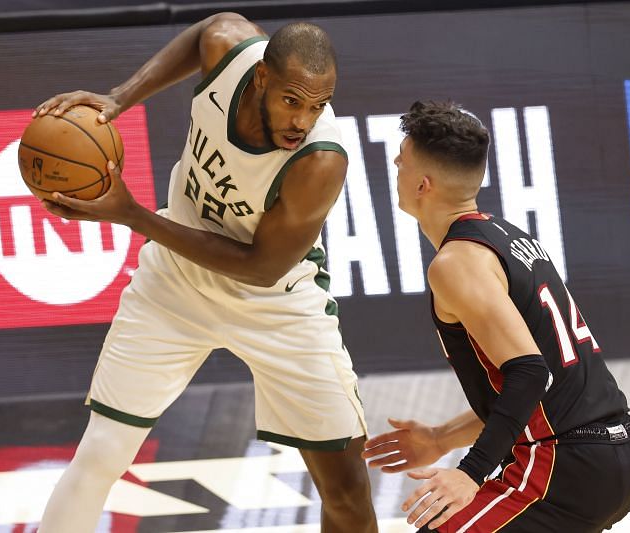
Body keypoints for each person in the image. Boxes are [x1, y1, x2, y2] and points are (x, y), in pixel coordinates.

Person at [33, 13, 377, 533]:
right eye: (291, 100)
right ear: (261, 76)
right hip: (175, 281)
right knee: (102, 451)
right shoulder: (229, 50)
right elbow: (207, 30)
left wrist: (134, 215)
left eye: (317, 106)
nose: (301, 121)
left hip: (276, 306)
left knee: (346, 488)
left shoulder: (319, 161)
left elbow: (260, 269)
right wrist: (119, 98)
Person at [362, 101, 630, 532]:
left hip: (562, 463)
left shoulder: (455, 263)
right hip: (612, 448)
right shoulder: (505, 235)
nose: (394, 168)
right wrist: (440, 439)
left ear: (423, 184)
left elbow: (531, 374)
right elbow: (537, 395)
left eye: (400, 161)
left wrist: (469, 473)